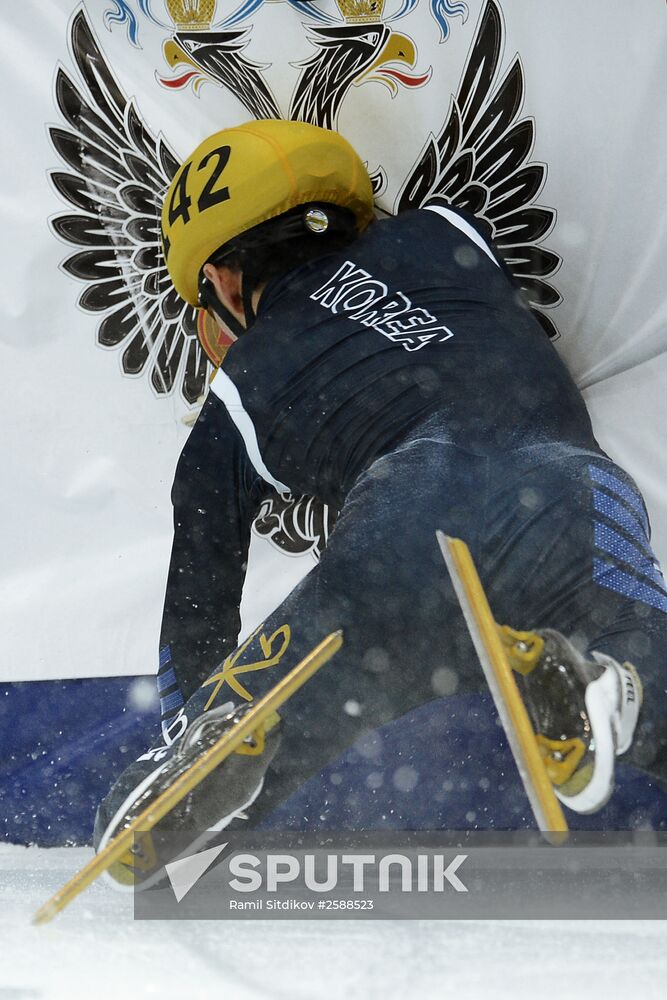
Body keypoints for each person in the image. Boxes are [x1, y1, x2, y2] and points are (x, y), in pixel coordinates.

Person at [94, 120, 667, 871]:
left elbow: (199, 591)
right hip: (572, 487)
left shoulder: (240, 387)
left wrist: (189, 711)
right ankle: (610, 685)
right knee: (638, 637)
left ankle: (217, 742)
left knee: (232, 741)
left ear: (225, 282)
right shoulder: (446, 231)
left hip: (409, 523)